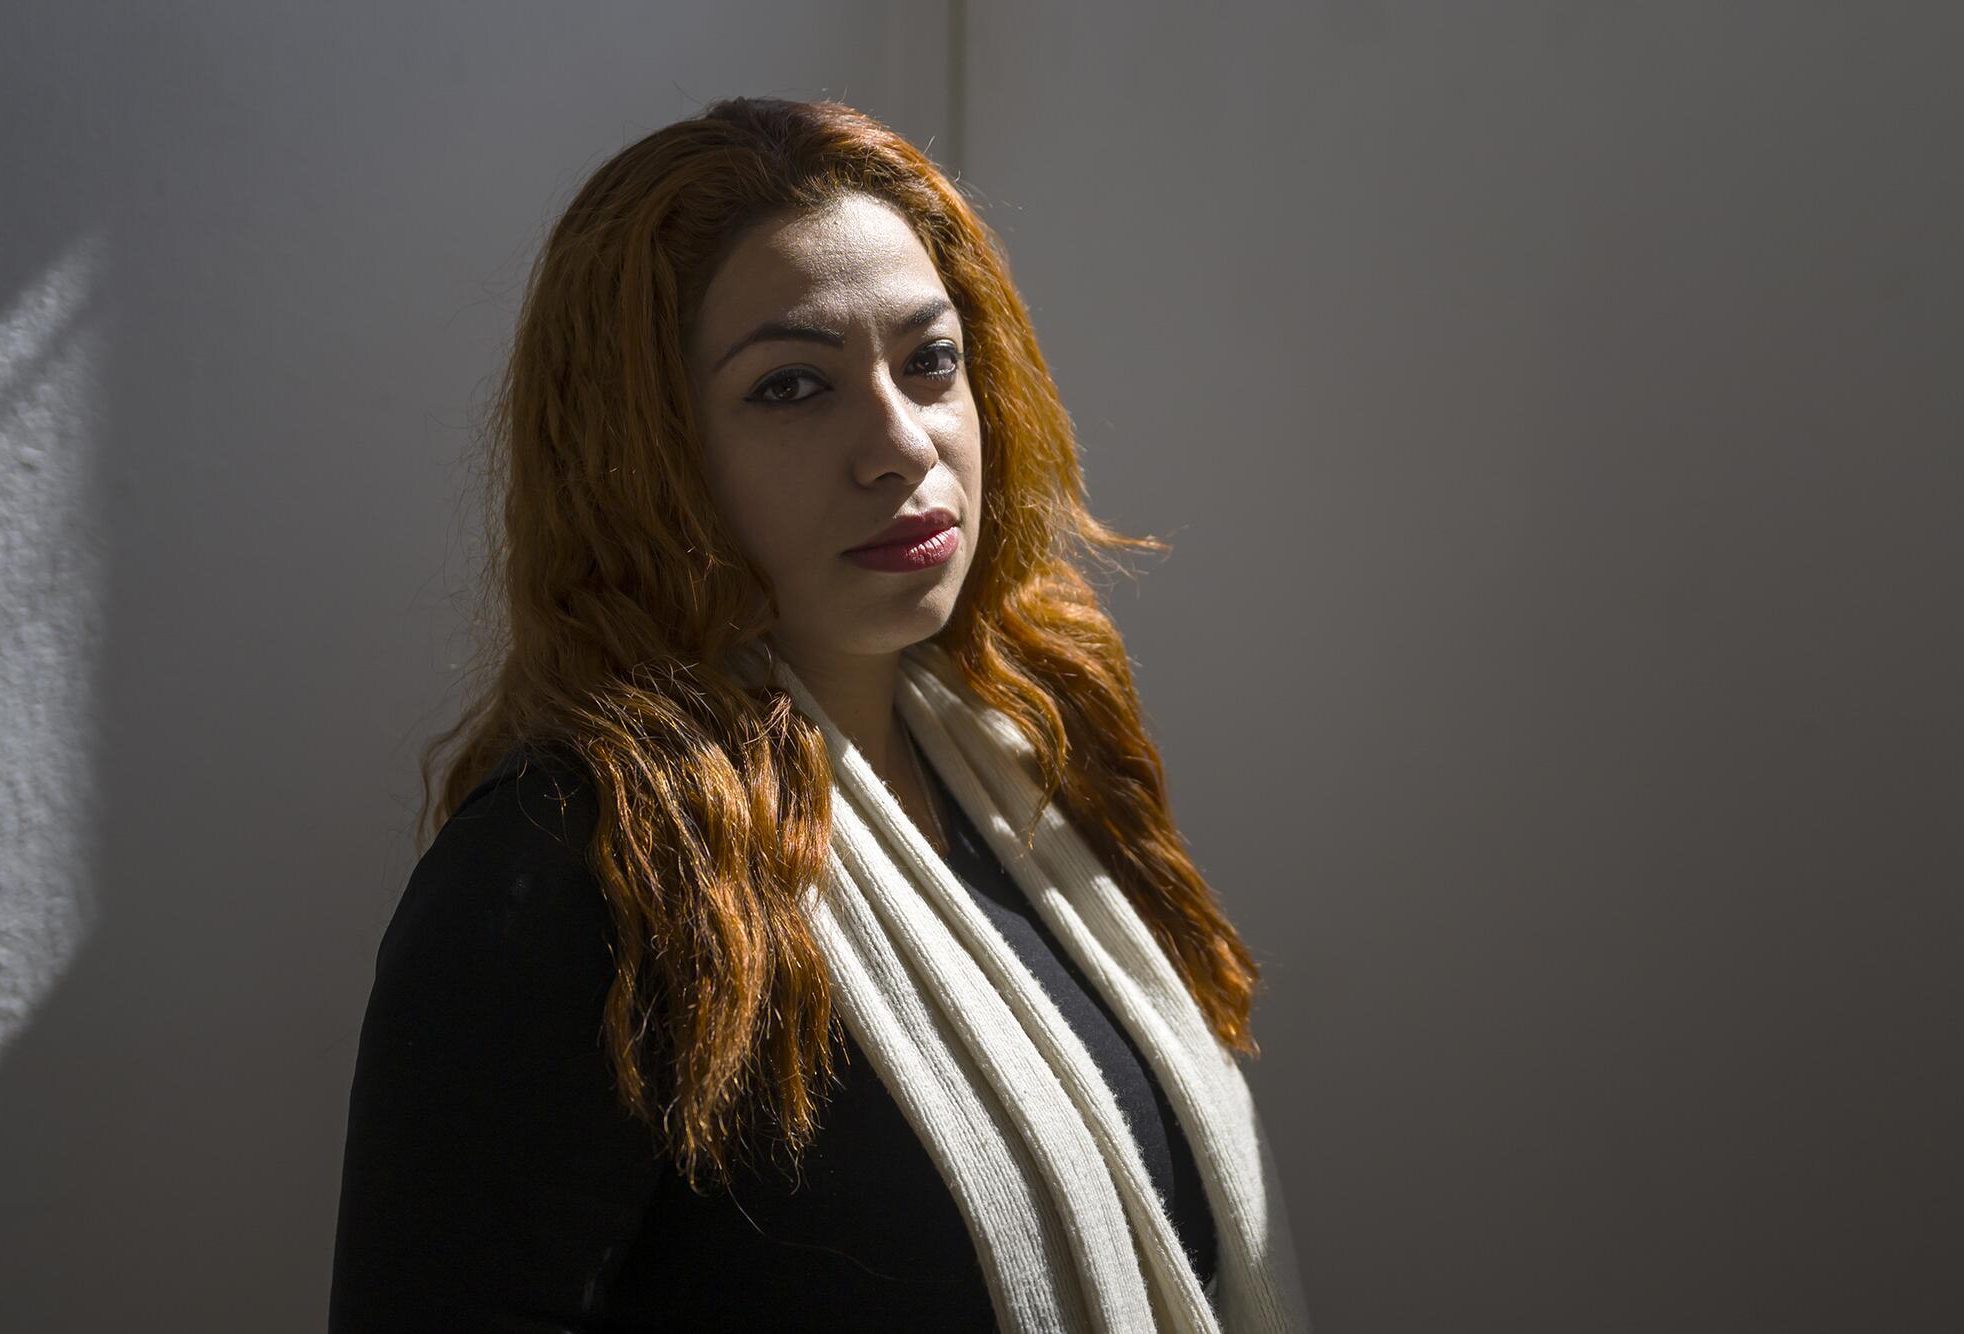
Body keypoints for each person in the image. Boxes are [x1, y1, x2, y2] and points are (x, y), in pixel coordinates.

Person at [328, 96, 1309, 1332]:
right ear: (648, 454)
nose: (899, 444)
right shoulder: (563, 872)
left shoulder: (1031, 753)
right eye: (791, 386)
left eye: (929, 360)